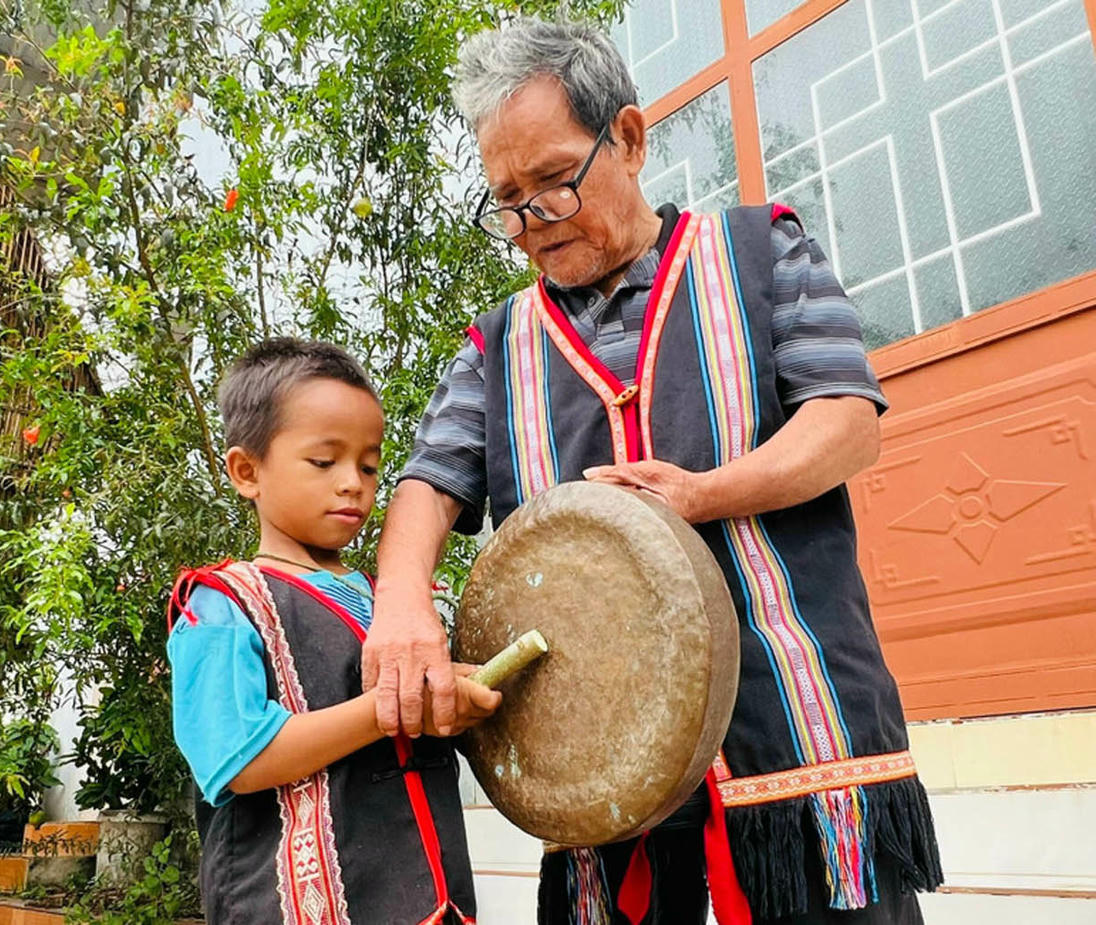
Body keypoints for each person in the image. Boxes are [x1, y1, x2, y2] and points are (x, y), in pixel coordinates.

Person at [362, 18, 943, 925]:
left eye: (552, 184)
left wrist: (705, 495)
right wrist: (401, 600)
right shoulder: (496, 345)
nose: (530, 225)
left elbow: (846, 423)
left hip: (796, 727)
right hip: (605, 761)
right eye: (505, 200)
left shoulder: (762, 253)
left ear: (627, 139)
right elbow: (429, 480)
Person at [167, 338, 501, 924]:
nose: (353, 483)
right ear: (247, 471)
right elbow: (238, 760)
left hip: (429, 900)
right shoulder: (223, 604)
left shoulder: (392, 607)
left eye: (369, 466)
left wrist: (454, 692)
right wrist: (387, 708)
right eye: (325, 462)